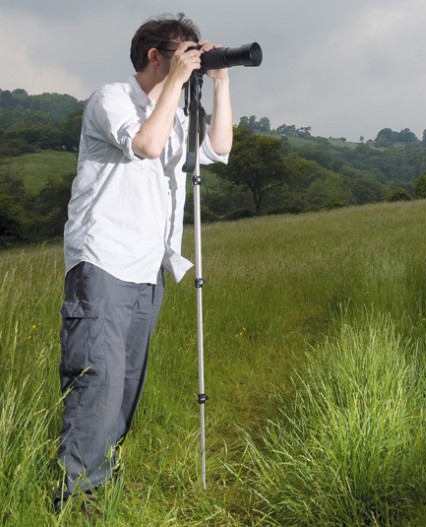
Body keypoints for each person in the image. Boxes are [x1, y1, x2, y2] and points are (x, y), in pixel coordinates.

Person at [54, 13, 232, 512]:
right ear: (155, 56)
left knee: (127, 382)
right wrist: (175, 80)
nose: (192, 61)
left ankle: (101, 481)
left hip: (147, 268)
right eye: (184, 53)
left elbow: (219, 147)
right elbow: (147, 146)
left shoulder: (175, 111)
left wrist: (221, 82)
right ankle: (76, 501)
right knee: (98, 381)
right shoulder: (111, 99)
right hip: (103, 261)